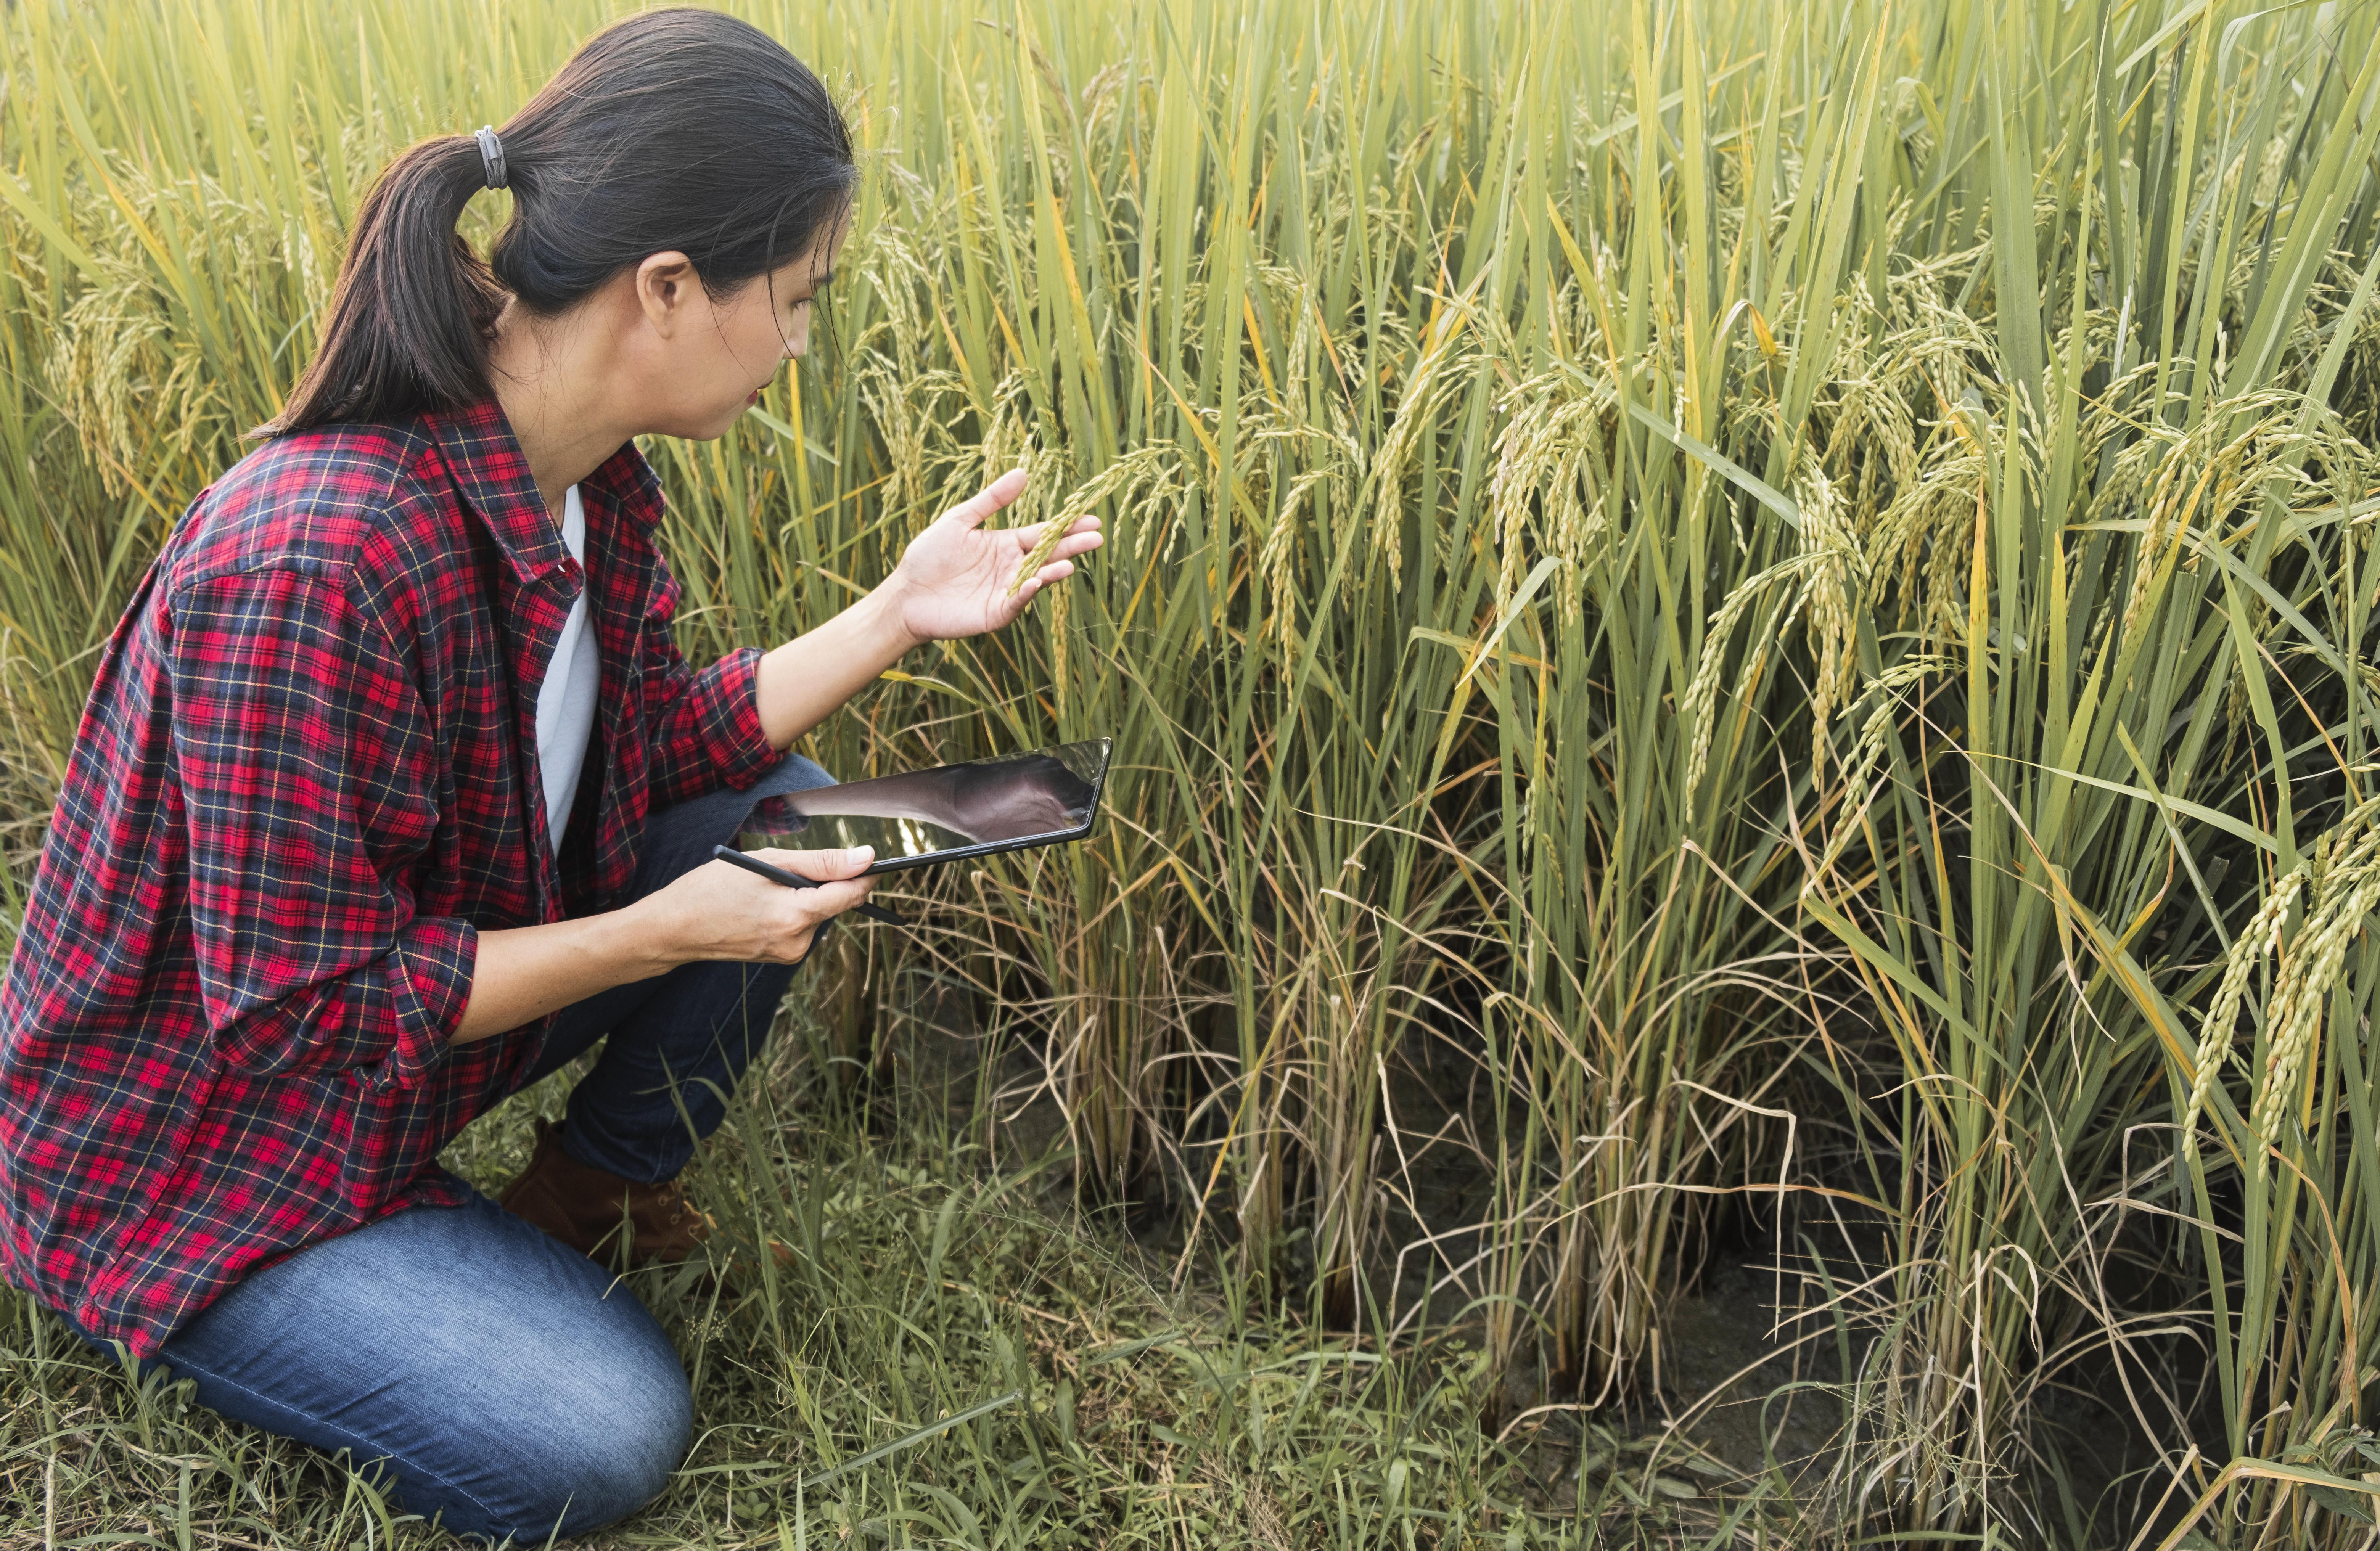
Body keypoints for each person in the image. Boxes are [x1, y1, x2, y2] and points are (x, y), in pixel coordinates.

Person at [0, 10, 1099, 1542]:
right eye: (793, 300)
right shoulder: (319, 559)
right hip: (201, 1158)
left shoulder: (583, 494)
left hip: (373, 1062)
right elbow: (305, 1014)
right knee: (601, 1433)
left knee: (787, 820)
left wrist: (895, 613)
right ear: (666, 288)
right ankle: (323, 1278)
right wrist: (671, 931)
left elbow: (647, 753)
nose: (799, 343)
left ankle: (572, 1203)